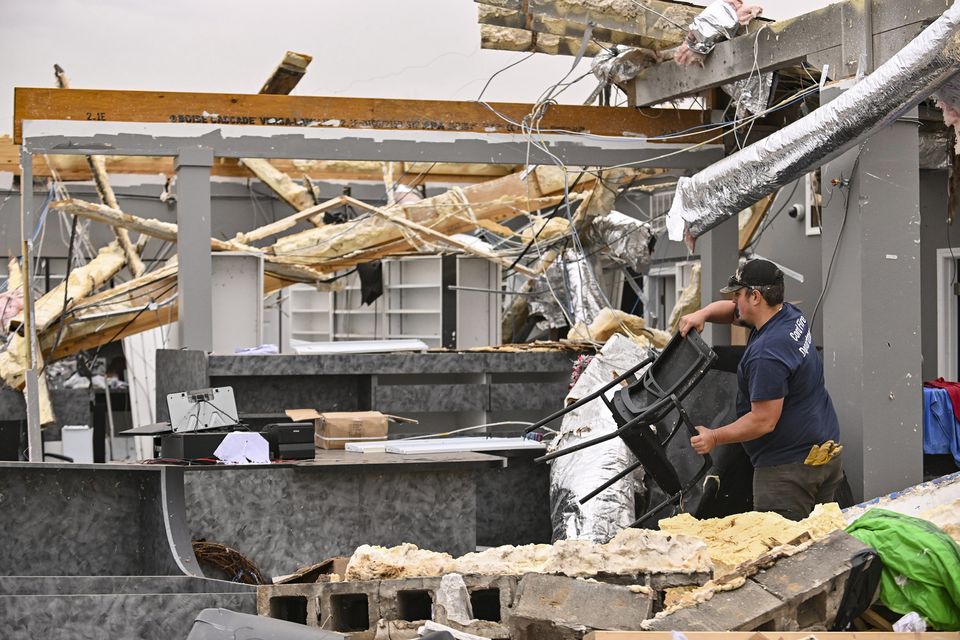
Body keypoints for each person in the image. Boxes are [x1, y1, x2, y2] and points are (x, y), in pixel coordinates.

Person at [679, 258, 843, 520]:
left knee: (783, 553)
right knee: (823, 540)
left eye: (738, 295)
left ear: (755, 297)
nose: (734, 302)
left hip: (788, 472)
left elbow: (763, 421)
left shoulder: (767, 354)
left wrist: (714, 436)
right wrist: (704, 314)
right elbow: (733, 313)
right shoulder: (789, 316)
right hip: (823, 454)